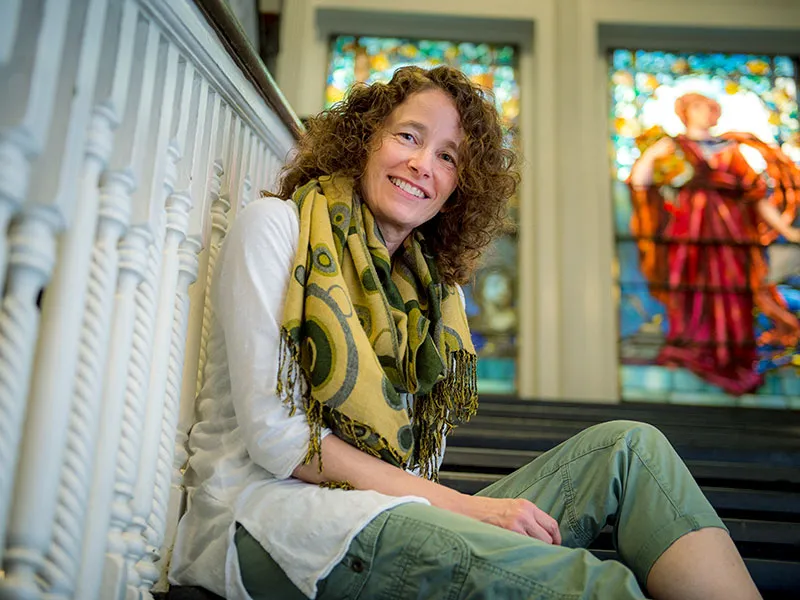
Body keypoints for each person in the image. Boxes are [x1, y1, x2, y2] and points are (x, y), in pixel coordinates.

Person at [170, 67, 762, 600]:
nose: (423, 164)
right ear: (364, 139)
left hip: (380, 511)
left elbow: (418, 470)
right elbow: (278, 440)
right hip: (268, 524)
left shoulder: (433, 294)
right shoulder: (278, 227)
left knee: (632, 448)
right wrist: (472, 510)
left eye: (449, 157)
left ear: (459, 188)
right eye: (408, 136)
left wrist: (463, 510)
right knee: (597, 586)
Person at [630, 92, 800, 395]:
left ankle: (733, 355)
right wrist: (652, 155)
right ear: (684, 113)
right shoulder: (673, 148)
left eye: (710, 107)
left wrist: (787, 230)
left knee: (733, 291)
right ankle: (690, 348)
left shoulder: (731, 149)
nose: (706, 112)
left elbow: (756, 197)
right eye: (698, 107)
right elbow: (640, 183)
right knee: (690, 289)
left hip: (731, 235)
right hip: (688, 234)